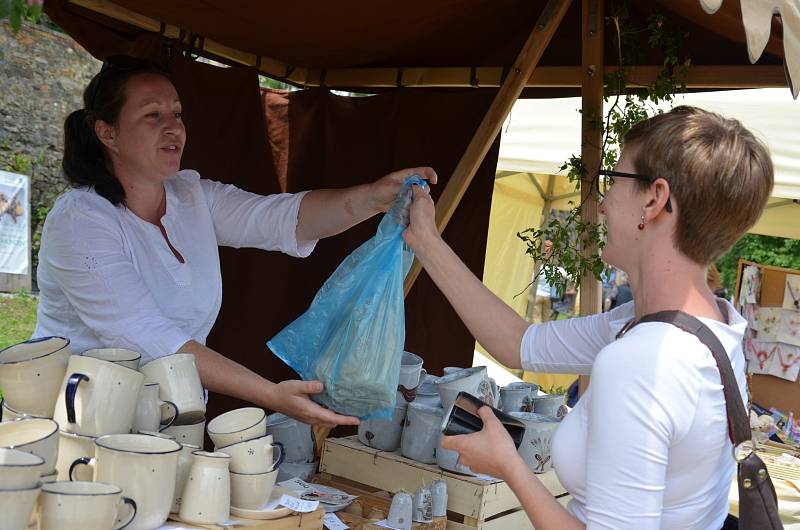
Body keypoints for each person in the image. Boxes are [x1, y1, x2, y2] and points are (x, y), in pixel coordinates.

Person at [403, 106, 772, 529]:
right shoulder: (706, 325)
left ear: (654, 199)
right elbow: (519, 342)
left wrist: (508, 465)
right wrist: (426, 242)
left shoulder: (643, 361)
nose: (601, 202)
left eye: (613, 180)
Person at [32, 55, 436, 427]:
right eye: (152, 116)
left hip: (159, 420)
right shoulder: (82, 220)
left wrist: (371, 197)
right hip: (72, 423)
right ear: (108, 133)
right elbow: (144, 334)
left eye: (177, 113)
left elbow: (282, 219)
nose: (173, 126)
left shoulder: (192, 196)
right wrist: (269, 394)